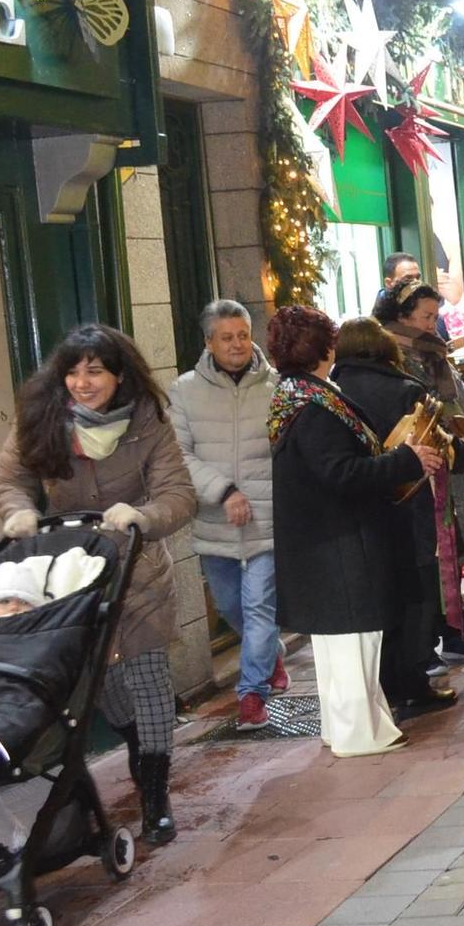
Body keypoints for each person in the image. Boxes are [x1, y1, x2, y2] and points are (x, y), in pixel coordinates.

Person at [0, 325, 198, 845]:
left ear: (118, 375)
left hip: (138, 571)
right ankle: (135, 744)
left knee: (148, 678)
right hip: (73, 574)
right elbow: (10, 476)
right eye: (74, 371)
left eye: (95, 372)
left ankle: (154, 795)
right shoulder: (42, 419)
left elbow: (178, 494)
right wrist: (19, 512)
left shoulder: (148, 423)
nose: (83, 383)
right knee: (103, 688)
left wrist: (142, 516)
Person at [331, 317, 464, 718]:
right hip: (410, 504)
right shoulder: (406, 389)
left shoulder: (336, 393)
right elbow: (440, 445)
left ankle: (382, 685)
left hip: (364, 506)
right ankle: (412, 682)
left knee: (380, 594)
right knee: (414, 595)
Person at [169, 300, 285, 733]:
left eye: (243, 335)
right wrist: (224, 491)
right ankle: (271, 657)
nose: (237, 345)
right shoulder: (183, 391)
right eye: (226, 337)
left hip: (266, 519)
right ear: (208, 343)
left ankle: (252, 694)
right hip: (214, 519)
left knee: (259, 606)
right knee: (230, 607)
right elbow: (178, 455)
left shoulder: (276, 386)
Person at [375, 279, 464, 664]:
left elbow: (454, 400)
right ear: (402, 316)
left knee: (451, 553)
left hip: (451, 464)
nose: (432, 323)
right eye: (426, 316)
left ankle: (456, 631)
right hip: (417, 473)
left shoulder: (433, 354)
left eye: (434, 315)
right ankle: (428, 641)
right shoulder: (390, 356)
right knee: (428, 560)